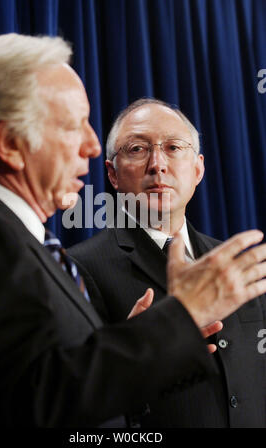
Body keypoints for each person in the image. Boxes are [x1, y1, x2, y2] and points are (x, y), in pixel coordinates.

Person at [0, 35, 266, 428]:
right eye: (74, 126)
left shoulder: (23, 240)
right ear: (9, 144)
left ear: (199, 168)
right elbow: (39, 401)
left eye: (174, 148)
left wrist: (139, 336)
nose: (91, 146)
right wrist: (181, 316)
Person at [68, 98, 266, 428]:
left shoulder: (237, 264)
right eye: (137, 149)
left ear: (199, 169)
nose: (157, 164)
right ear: (112, 174)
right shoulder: (79, 268)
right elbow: (81, 409)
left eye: (173, 147)